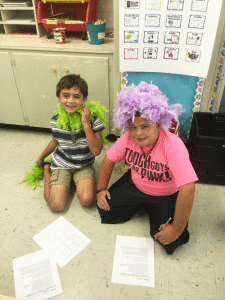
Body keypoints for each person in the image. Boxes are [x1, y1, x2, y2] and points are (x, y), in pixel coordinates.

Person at [97, 81, 198, 255]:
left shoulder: (172, 146)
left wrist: (175, 229)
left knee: (169, 241)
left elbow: (188, 189)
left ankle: (158, 213)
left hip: (167, 193)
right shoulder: (127, 138)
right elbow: (108, 159)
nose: (139, 133)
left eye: (145, 126)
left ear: (158, 124)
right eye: (133, 127)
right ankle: (143, 205)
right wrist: (100, 189)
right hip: (137, 182)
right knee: (106, 208)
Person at [37, 74, 105, 212]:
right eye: (66, 95)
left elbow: (97, 151)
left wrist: (86, 123)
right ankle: (47, 171)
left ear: (84, 99)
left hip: (83, 164)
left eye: (76, 96)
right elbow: (55, 141)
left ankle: (75, 180)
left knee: (87, 200)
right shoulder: (56, 120)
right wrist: (41, 158)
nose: (70, 101)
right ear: (58, 97)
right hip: (62, 163)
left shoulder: (93, 120)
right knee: (56, 206)